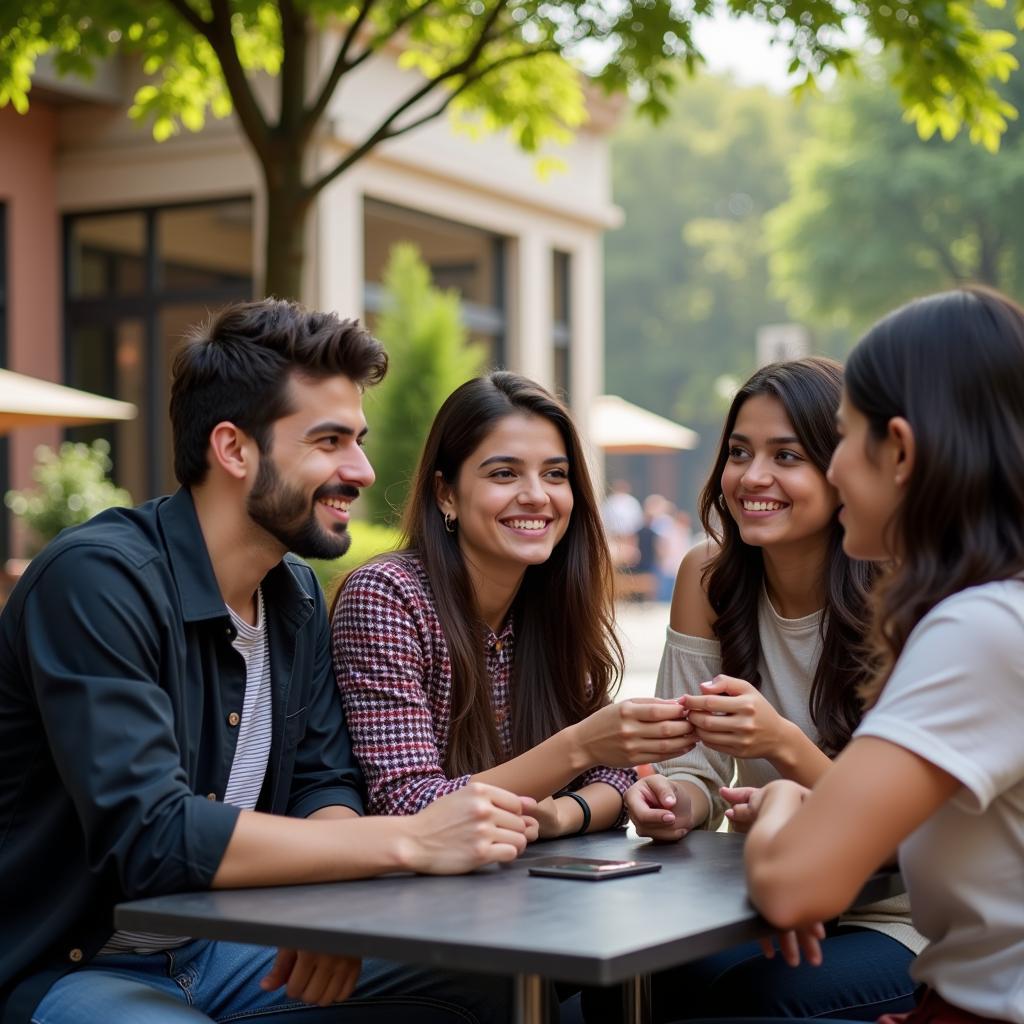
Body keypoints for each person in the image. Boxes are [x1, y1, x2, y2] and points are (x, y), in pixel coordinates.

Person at [0, 300, 537, 1024]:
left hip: (228, 947)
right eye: (329, 441)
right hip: (76, 965)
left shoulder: (293, 595)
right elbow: (154, 838)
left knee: (495, 984)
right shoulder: (97, 582)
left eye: (359, 440)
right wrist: (406, 839)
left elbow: (324, 780)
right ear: (234, 449)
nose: (362, 469)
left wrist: (334, 909)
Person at [734, 287, 1024, 1024]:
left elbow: (792, 886)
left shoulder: (981, 628)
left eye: (840, 439)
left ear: (900, 450)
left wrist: (778, 801)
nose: (832, 473)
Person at [613, 358, 922, 1022]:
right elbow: (689, 763)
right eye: (738, 453)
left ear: (842, 469)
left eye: (787, 455)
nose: (753, 478)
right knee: (628, 989)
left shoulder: (905, 596)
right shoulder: (707, 576)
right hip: (761, 897)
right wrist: (676, 802)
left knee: (750, 1001)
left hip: (902, 915)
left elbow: (911, 832)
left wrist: (781, 744)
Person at [331, 372, 697, 839]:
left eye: (555, 474)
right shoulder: (387, 597)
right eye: (504, 473)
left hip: (528, 893)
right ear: (446, 493)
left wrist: (563, 815)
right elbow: (411, 808)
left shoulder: (549, 599)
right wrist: (580, 746)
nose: (537, 495)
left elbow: (616, 776)